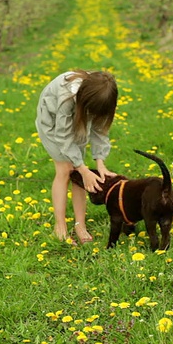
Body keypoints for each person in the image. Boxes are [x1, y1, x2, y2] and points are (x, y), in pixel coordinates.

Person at [35, 70, 118, 244]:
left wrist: (100, 163)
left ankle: (80, 225)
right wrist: (82, 167)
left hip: (80, 116)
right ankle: (60, 227)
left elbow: (100, 129)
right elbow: (63, 136)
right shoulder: (67, 96)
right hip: (52, 123)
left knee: (79, 175)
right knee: (66, 169)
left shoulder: (100, 96)